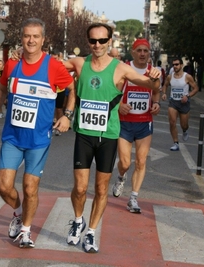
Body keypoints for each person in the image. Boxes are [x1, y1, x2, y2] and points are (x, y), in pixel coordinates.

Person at [63, 23, 161, 253]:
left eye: (102, 41)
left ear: (109, 42)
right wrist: (20, 55)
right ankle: (78, 221)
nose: (97, 45)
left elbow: (150, 84)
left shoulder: (120, 69)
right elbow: (47, 66)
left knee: (101, 188)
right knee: (79, 188)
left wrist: (155, 78)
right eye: (93, 41)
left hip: (107, 136)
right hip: (84, 134)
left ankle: (91, 232)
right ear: (88, 42)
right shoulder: (79, 63)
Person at [0, 18, 75, 248]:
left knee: (29, 187)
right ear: (22, 39)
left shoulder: (54, 67)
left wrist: (67, 115)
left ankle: (26, 231)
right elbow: (2, 88)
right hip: (12, 137)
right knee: (4, 186)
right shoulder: (12, 65)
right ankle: (17, 213)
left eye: (36, 36)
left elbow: (72, 89)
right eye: (27, 36)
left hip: (38, 140)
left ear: (43, 40)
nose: (31, 40)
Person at [111, 39, 161, 214]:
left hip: (144, 122)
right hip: (124, 122)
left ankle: (133, 198)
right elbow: (114, 92)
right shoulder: (124, 69)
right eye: (139, 50)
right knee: (124, 162)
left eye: (145, 51)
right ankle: (121, 176)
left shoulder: (153, 72)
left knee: (141, 161)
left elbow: (156, 91)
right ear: (132, 52)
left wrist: (156, 103)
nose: (142, 53)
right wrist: (119, 106)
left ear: (149, 53)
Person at [161, 58, 199, 151]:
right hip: (173, 102)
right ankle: (176, 143)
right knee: (172, 122)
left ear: (181, 65)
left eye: (177, 64)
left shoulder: (187, 77)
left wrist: (188, 96)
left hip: (184, 103)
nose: (175, 66)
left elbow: (195, 88)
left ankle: (185, 131)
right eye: (173, 64)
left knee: (184, 125)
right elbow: (165, 85)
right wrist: (164, 93)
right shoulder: (170, 76)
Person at [50, 49, 66, 136]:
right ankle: (51, 126)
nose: (54, 60)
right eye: (52, 59)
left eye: (55, 58)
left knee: (59, 109)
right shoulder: (48, 65)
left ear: (59, 57)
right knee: (50, 109)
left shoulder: (62, 65)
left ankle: (59, 127)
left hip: (60, 90)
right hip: (50, 90)